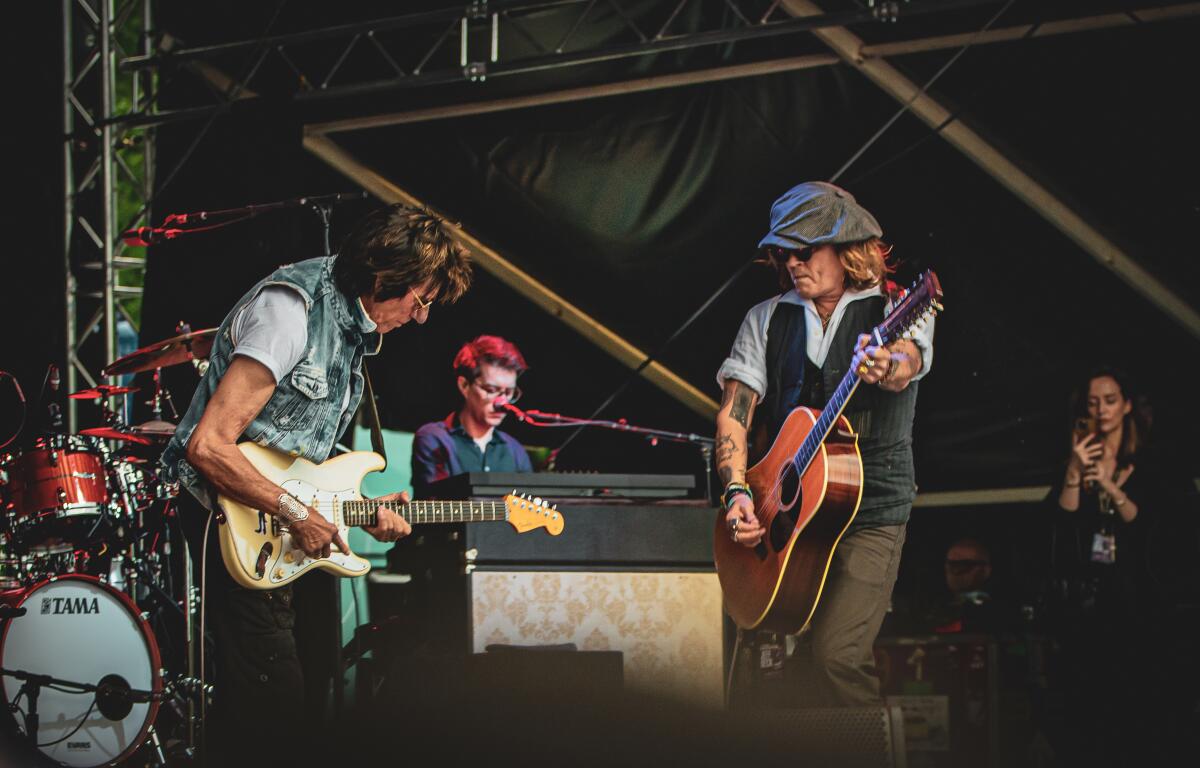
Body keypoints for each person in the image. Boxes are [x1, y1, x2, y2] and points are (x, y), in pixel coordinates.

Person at [158, 204, 472, 761]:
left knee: (294, 694)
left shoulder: (350, 331)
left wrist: (359, 506)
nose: (421, 317)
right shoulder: (290, 310)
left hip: (272, 527)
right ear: (384, 278)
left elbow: (295, 457)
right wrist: (298, 514)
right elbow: (208, 445)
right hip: (225, 524)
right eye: (419, 300)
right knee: (272, 705)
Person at [715, 181, 934, 707]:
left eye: (805, 250)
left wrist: (887, 365)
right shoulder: (766, 319)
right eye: (784, 252)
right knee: (783, 668)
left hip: (871, 509)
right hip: (789, 521)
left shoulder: (898, 306)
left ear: (846, 249)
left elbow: (906, 362)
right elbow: (734, 414)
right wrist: (738, 493)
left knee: (837, 656)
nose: (792, 262)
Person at [410, 335, 532, 499]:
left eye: (509, 392)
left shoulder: (515, 450)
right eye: (491, 389)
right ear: (464, 386)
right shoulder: (434, 438)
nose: (502, 402)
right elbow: (436, 504)